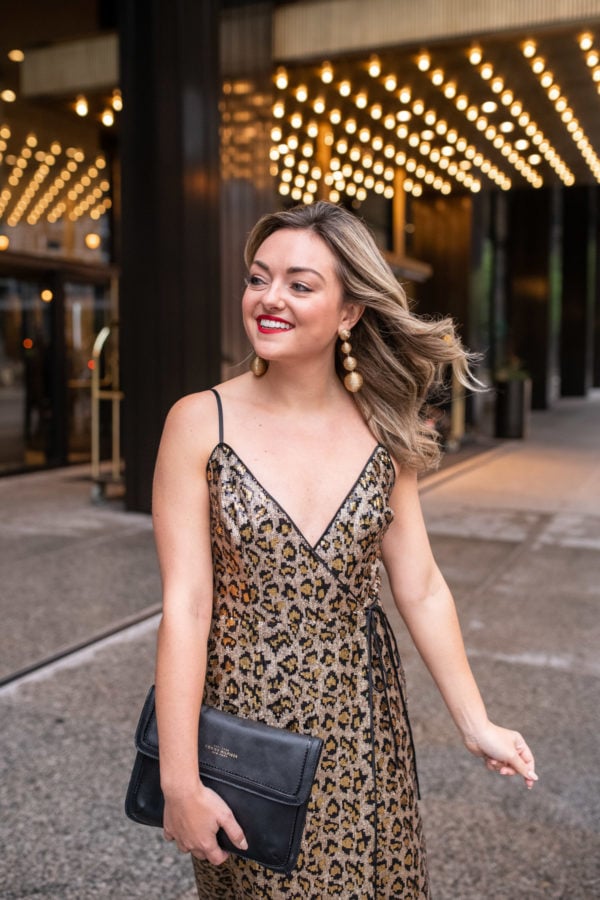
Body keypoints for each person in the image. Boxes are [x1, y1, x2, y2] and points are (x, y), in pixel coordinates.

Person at [151, 201, 537, 899]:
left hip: (362, 723)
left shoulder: (386, 429)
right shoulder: (197, 422)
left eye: (300, 285)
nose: (269, 299)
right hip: (246, 733)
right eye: (258, 278)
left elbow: (419, 584)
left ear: (350, 310)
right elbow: (185, 606)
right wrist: (179, 780)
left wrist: (476, 721)